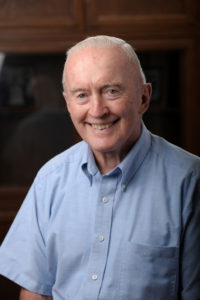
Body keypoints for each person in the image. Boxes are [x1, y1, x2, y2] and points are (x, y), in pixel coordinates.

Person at [0, 35, 199, 300]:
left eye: (111, 91)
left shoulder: (190, 180)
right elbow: (35, 291)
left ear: (143, 97)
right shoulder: (50, 179)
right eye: (81, 95)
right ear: (68, 104)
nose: (97, 110)